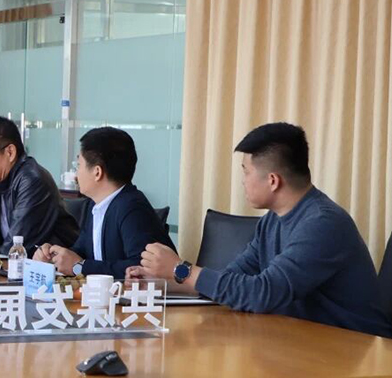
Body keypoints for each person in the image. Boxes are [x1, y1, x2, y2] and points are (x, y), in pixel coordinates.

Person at [129, 122, 391, 337]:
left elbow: (263, 293)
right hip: (302, 343)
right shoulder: (272, 221)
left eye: (246, 172)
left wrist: (181, 269)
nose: (242, 181)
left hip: (356, 351)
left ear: (273, 180)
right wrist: (161, 284)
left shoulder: (323, 224)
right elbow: (232, 281)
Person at [34, 127, 175, 279]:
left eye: (78, 165)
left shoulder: (132, 207)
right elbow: (80, 252)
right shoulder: (96, 205)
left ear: (97, 172)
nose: (75, 175)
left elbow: (141, 268)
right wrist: (54, 257)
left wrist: (79, 267)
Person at [0, 116, 79, 256]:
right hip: (22, 264)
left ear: (10, 152)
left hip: (55, 265)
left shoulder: (32, 180)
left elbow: (16, 247)